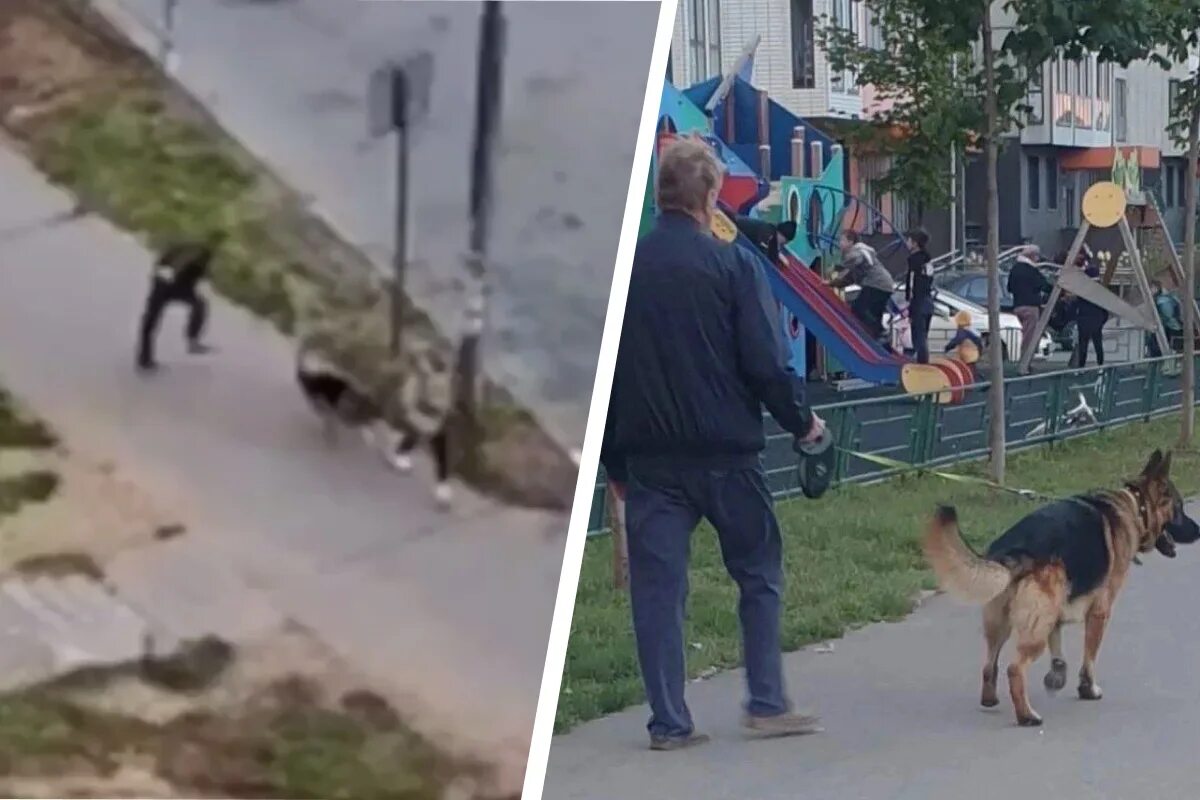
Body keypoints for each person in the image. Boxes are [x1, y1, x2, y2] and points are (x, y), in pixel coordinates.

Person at [605, 137, 827, 751]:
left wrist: (613, 464)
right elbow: (763, 362)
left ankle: (669, 723)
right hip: (728, 456)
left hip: (650, 461)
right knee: (758, 572)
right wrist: (802, 423)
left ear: (661, 196)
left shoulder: (626, 270)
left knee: (657, 591)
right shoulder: (733, 267)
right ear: (709, 197)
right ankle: (765, 701)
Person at [137, 234, 223, 371]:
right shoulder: (202, 253)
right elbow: (185, 263)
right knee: (199, 305)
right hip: (172, 283)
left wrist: (160, 273)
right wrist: (174, 272)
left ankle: (145, 358)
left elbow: (163, 260)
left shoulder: (186, 246)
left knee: (151, 320)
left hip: (165, 283)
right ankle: (192, 341)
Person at [828, 230, 894, 341]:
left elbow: (855, 260)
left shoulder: (857, 250)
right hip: (886, 285)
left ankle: (881, 331)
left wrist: (836, 267)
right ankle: (881, 341)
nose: (840, 243)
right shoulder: (859, 253)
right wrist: (831, 283)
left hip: (876, 283)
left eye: (842, 240)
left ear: (850, 242)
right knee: (875, 315)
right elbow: (850, 279)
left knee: (858, 308)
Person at [1006, 244, 1050, 349]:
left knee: (1023, 333)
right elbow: (1043, 285)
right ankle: (1024, 361)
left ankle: (1022, 358)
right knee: (1029, 337)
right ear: (1032, 256)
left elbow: (1009, 288)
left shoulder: (1015, 269)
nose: (1038, 259)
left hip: (1017, 306)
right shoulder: (1031, 270)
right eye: (1037, 256)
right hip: (1030, 307)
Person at [903, 228, 935, 363]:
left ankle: (922, 363)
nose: (907, 243)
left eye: (909, 240)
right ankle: (924, 360)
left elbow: (911, 285)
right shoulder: (928, 260)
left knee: (918, 336)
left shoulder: (914, 261)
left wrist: (909, 306)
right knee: (923, 334)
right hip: (928, 302)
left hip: (919, 303)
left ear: (915, 243)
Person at [1071, 264, 1109, 368]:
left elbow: (1075, 304)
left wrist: (1076, 317)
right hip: (1097, 319)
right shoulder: (1100, 289)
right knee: (1098, 344)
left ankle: (1081, 366)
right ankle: (1100, 365)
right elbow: (1105, 306)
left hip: (1084, 319)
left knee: (1083, 344)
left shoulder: (1082, 288)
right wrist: (1103, 319)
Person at [735, 215, 799, 265]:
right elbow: (762, 250)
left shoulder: (772, 232)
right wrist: (779, 254)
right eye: (784, 242)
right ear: (782, 236)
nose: (783, 244)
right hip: (734, 226)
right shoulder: (767, 230)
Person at [1148, 280, 1184, 358]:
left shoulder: (1162, 300)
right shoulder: (1169, 297)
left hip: (1170, 328)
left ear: (1156, 288)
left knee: (1155, 345)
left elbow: (1167, 315)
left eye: (1151, 288)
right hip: (1174, 327)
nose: (1150, 291)